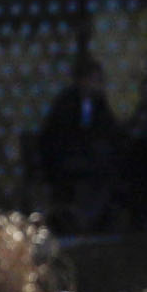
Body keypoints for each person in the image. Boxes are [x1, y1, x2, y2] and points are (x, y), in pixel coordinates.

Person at [36, 55, 128, 233]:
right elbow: (60, 136)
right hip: (66, 159)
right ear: (83, 80)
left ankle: (95, 219)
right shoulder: (66, 102)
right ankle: (82, 220)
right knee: (97, 172)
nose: (99, 84)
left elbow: (109, 129)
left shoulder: (98, 102)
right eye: (95, 79)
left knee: (110, 170)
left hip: (92, 159)